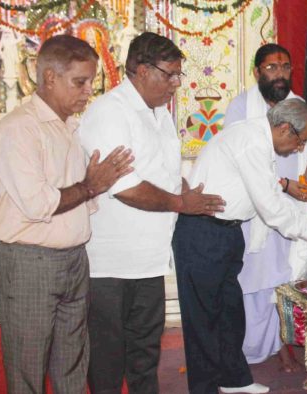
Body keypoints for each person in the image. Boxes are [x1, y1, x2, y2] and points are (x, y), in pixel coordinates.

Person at [78, 32, 225, 393]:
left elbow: (157, 171)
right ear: (141, 70)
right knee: (108, 359)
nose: (176, 84)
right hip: (110, 264)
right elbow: (124, 186)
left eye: (179, 75)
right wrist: (180, 203)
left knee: (145, 354)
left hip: (149, 259)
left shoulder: (157, 112)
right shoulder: (110, 112)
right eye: (169, 74)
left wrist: (184, 189)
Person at [0, 35, 133, 393]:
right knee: (28, 366)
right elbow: (39, 204)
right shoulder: (18, 129)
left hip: (73, 259)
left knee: (72, 362)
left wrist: (93, 187)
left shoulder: (68, 127)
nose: (87, 92)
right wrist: (91, 185)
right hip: (29, 263)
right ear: (49, 78)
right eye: (79, 82)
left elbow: (84, 198)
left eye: (91, 83)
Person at [172, 98, 307, 394]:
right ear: (285, 129)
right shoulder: (251, 140)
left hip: (227, 234)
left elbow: (264, 185)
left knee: (230, 313)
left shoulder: (257, 138)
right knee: (203, 320)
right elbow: (271, 208)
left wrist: (286, 188)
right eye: (300, 141)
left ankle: (233, 379)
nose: (300, 149)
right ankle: (205, 388)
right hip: (203, 235)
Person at [223, 43, 307, 370]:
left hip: (292, 207)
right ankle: (246, 347)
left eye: (284, 67)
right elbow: (240, 158)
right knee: (252, 277)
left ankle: (281, 343)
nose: (279, 74)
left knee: (285, 274)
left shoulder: (299, 105)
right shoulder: (241, 107)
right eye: (271, 68)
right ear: (257, 72)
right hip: (254, 211)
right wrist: (285, 186)